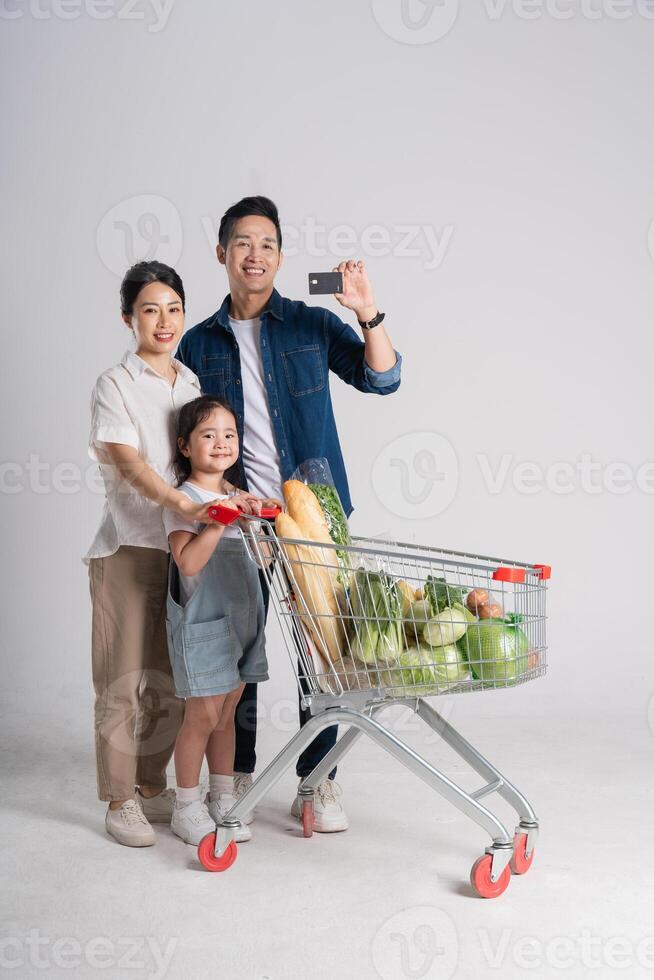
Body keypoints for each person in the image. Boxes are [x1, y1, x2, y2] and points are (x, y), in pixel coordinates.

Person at [176, 196, 403, 832]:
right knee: (239, 656)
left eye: (268, 245)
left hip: (313, 518)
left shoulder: (307, 324)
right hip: (239, 523)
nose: (256, 255)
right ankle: (237, 773)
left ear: (280, 256)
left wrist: (366, 313)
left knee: (321, 657)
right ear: (222, 253)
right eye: (243, 243)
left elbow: (382, 379)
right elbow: (185, 438)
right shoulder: (197, 343)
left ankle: (317, 781)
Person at [84, 261, 244, 847]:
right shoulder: (115, 385)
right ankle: (119, 798)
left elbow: (205, 460)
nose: (165, 320)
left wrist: (233, 502)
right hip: (129, 548)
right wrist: (184, 501)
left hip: (186, 555)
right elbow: (131, 464)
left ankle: (153, 790)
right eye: (150, 309)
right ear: (129, 317)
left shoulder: (191, 385)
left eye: (174, 308)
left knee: (174, 681)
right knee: (123, 681)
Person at [163, 395, 275, 846]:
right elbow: (188, 563)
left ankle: (222, 796)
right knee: (201, 716)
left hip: (243, 620)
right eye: (208, 435)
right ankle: (187, 804)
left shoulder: (238, 494)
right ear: (185, 446)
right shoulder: (184, 499)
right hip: (204, 624)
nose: (221, 442)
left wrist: (253, 521)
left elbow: (263, 559)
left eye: (229, 434)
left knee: (229, 712)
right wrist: (217, 521)